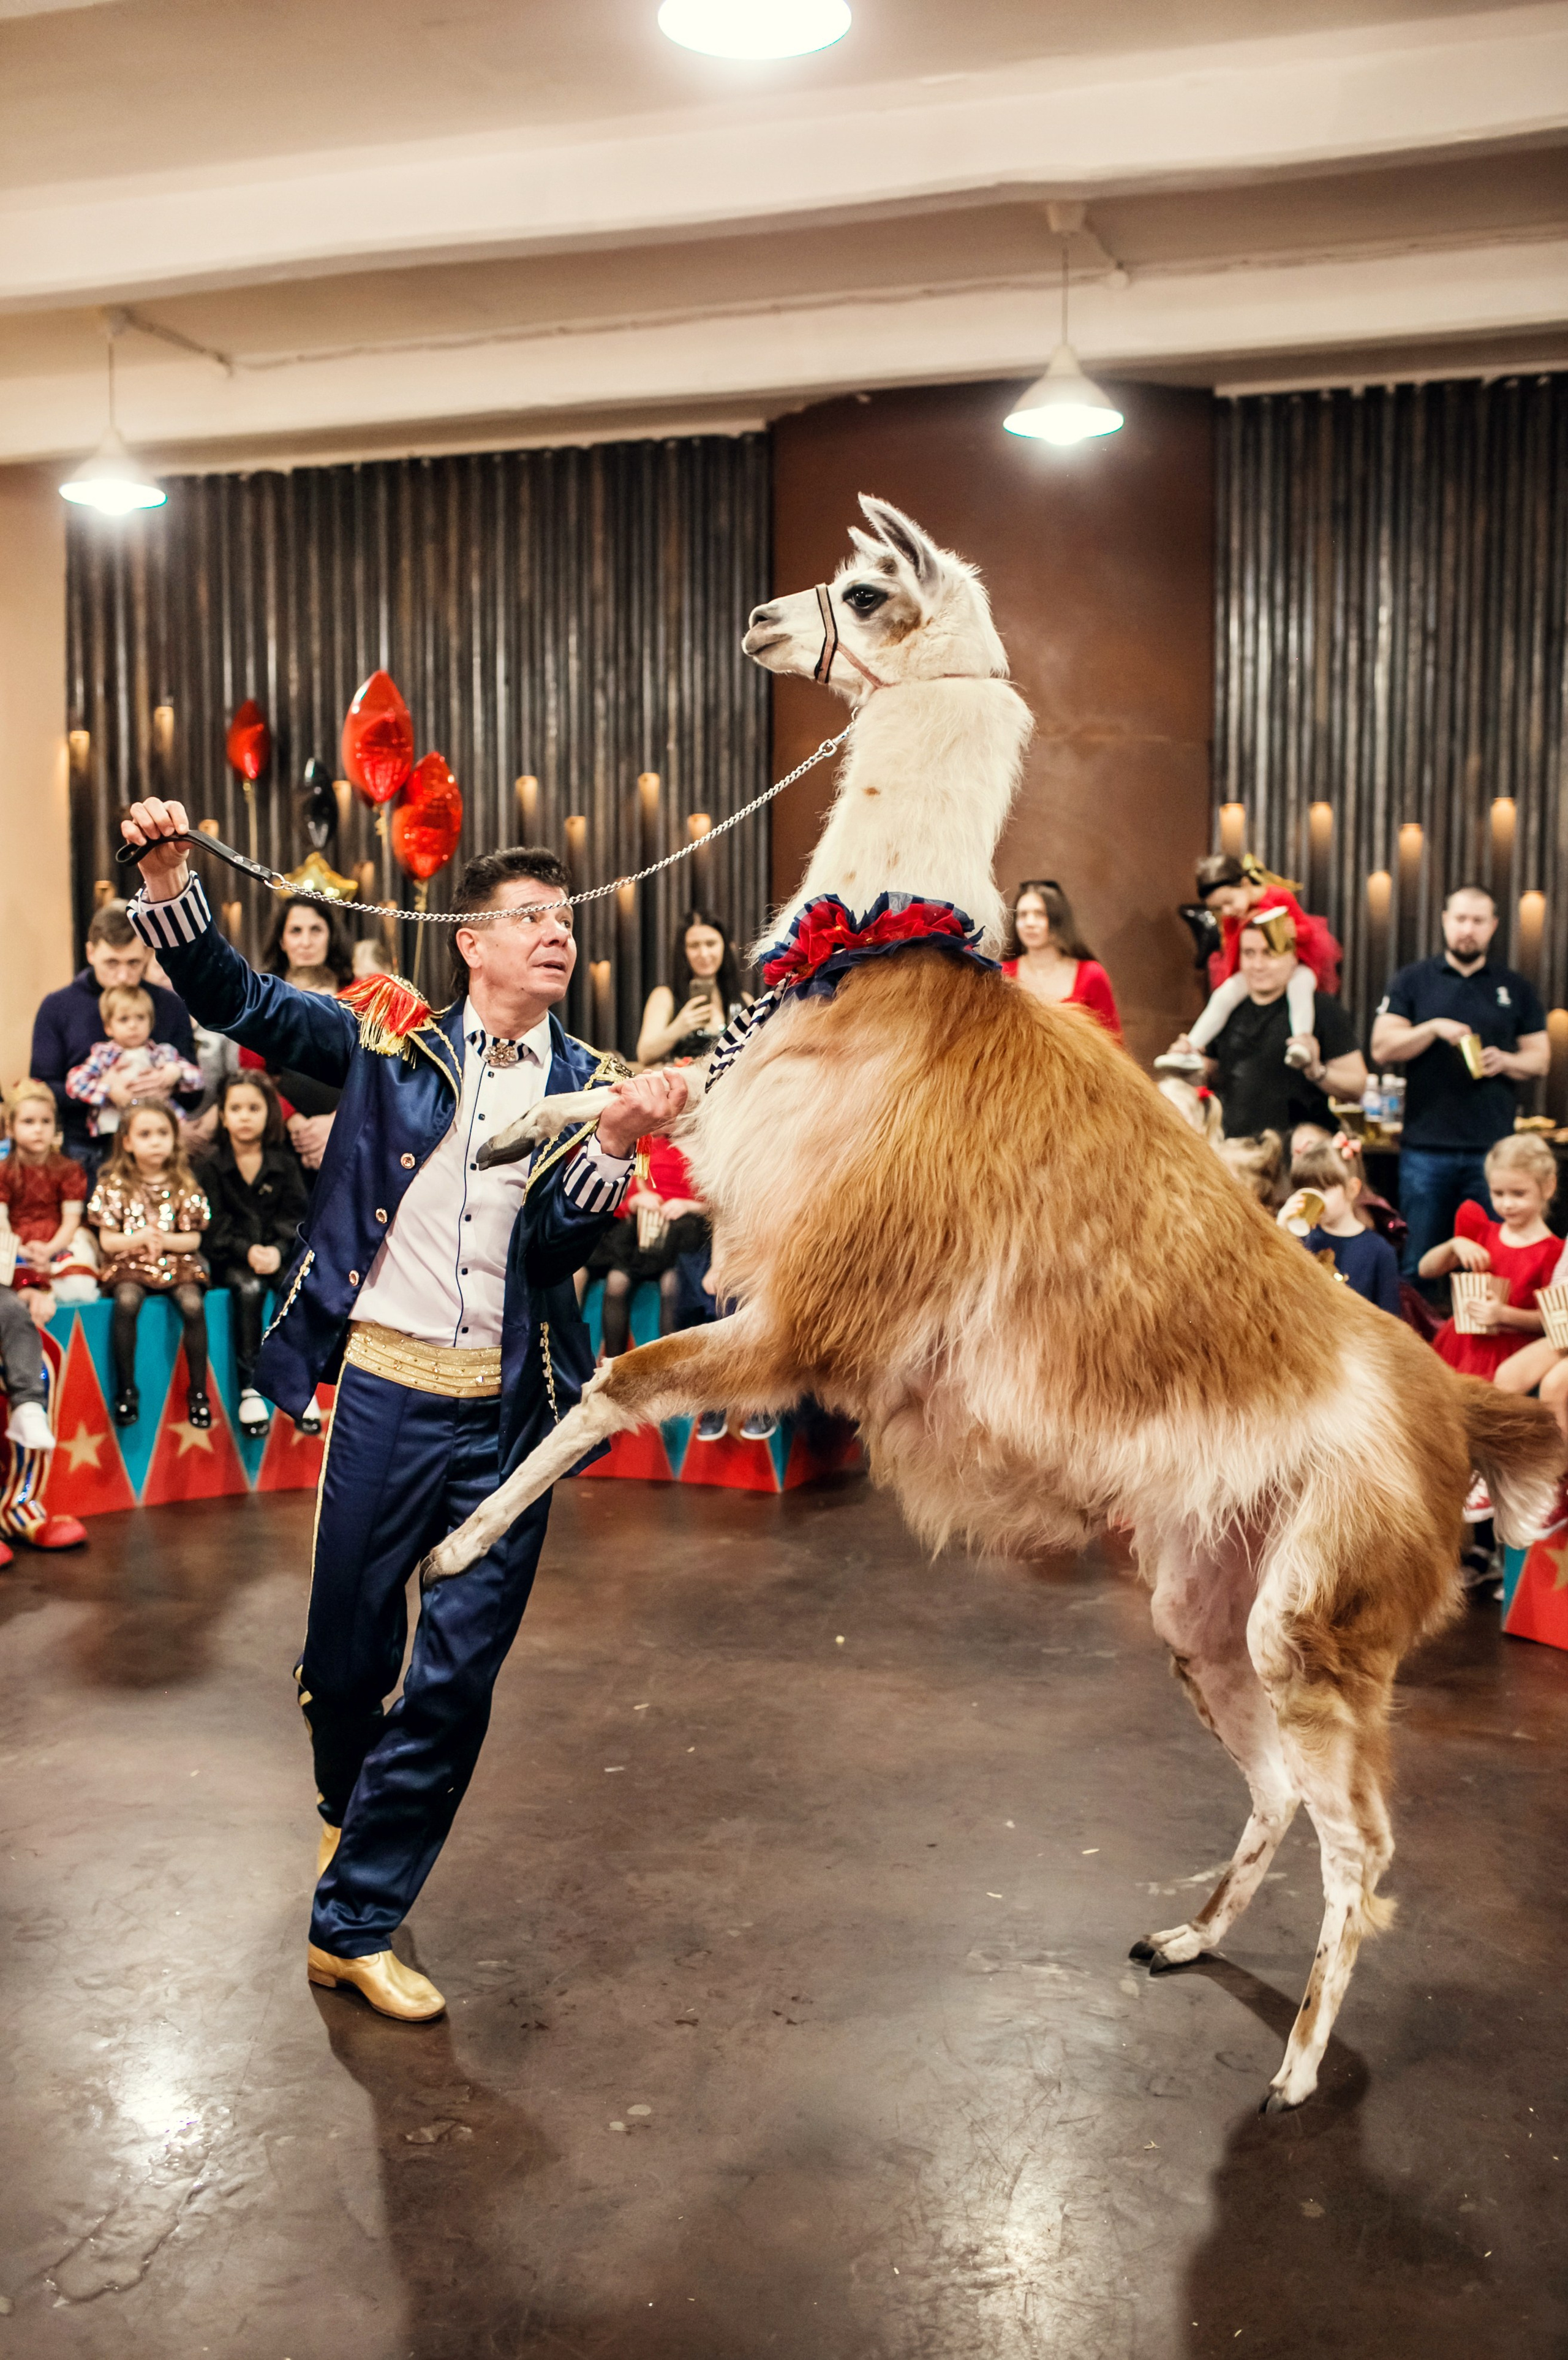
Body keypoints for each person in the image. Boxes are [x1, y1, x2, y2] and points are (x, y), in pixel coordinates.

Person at [121, 794, 686, 2025]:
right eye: (529, 917)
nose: (557, 932)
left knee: (455, 1679)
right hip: (383, 1393)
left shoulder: (594, 1082)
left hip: (510, 1423)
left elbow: (556, 1246)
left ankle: (354, 1924)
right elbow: (238, 998)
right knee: (346, 1663)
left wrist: (613, 1143)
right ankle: (347, 1806)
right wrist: (167, 886)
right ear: (470, 944)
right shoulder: (388, 1044)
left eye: (565, 918)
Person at [1371, 884, 1550, 1279]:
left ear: (1493, 926)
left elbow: (1540, 1060)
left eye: (1478, 921)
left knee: (1493, 1263)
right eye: (1461, 919)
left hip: (1494, 1153)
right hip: (1425, 1149)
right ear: (1445, 921)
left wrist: (1506, 1061)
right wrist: (1432, 1029)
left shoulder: (1515, 987)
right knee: (1418, 1263)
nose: (1468, 929)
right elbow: (1381, 1047)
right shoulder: (1413, 980)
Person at [30, 902, 198, 1181]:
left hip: (159, 1153)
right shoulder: (57, 1007)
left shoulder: (170, 1006)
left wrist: (170, 1081)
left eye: (133, 963)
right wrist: (105, 1090)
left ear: (147, 955)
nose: (123, 977)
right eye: (112, 963)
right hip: (87, 1150)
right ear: (91, 953)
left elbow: (195, 1096)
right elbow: (42, 1090)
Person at [87, 1102, 213, 1431]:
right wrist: (141, 1238)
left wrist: (164, 1241)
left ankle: (199, 1393)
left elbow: (194, 1240)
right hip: (129, 1262)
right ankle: (127, 1390)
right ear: (127, 1142)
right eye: (145, 1134)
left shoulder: (184, 1184)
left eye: (163, 1133)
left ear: (175, 1138)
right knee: (127, 1301)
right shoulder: (113, 1185)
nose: (155, 1141)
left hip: (176, 1261)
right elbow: (108, 1242)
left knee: (193, 1304)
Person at [197, 1073, 311, 1435]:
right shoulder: (210, 1166)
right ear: (222, 1116)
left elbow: (296, 1217)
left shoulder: (285, 1164)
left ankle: (299, 1384)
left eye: (254, 1108)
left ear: (269, 1114)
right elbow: (212, 1226)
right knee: (248, 1290)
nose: (244, 1116)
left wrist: (277, 1250)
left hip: (276, 1256)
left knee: (296, 1287)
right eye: (236, 1109)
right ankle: (250, 1389)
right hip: (231, 1260)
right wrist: (247, 1251)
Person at [1197, 917, 1366, 1141]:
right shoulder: (1227, 1011)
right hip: (1237, 1151)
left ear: (1293, 957)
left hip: (1299, 1153)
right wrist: (1189, 1063)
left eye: (1269, 953)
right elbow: (1212, 1073)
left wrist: (1316, 1071)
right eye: (1249, 953)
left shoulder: (1323, 1010)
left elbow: (1357, 1086)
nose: (1258, 965)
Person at [1417, 1133, 1561, 1382]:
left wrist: (1504, 1315)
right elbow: (1425, 1270)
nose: (1507, 1204)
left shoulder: (1554, 1253)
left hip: (1512, 1355)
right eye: (1498, 1193)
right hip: (1462, 1345)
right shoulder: (1482, 1232)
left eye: (1518, 1194)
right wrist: (1454, 1245)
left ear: (1548, 1187)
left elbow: (1553, 1320)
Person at [254, 894, 356, 1174]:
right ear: (282, 941)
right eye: (296, 931)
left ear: (331, 936)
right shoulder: (262, 998)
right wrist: (297, 1125)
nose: (306, 942)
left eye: (316, 930)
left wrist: (337, 1122)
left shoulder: (362, 992)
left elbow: (380, 1069)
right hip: (283, 1137)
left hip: (352, 1129)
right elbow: (253, 1075)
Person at [0, 1080, 91, 1329]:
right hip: (16, 1241)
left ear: (56, 1127)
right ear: (10, 1128)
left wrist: (50, 1249)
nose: (38, 1130)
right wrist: (21, 1250)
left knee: (78, 1276)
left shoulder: (69, 1170)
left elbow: (71, 1222)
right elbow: (1, 1222)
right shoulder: (4, 1172)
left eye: (46, 1122)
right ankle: (26, 1292)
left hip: (58, 1240)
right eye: (28, 1122)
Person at [65, 983, 205, 1143]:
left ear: (151, 1023)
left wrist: (175, 1072)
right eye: (124, 1019)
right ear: (109, 1027)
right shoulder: (103, 1055)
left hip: (158, 1129)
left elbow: (198, 1079)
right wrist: (109, 1090)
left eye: (141, 1018)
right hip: (115, 1132)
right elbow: (74, 1083)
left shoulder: (162, 1054)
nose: (133, 1025)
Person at [1276, 1138, 1402, 1315]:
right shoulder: (1303, 1241)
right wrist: (1281, 1232)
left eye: (1323, 1190)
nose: (1313, 1197)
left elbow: (1390, 1317)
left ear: (1352, 1189)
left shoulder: (1379, 1250)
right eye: (1305, 1189)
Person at [1001, 880, 1121, 1040]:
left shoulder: (1091, 974)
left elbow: (1113, 1043)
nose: (1029, 923)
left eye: (1040, 914)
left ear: (1059, 920)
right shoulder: (1003, 974)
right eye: (1023, 915)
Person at [636, 909, 750, 1065]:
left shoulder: (744, 999)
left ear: (726, 946)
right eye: (694, 946)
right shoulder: (665, 996)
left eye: (711, 944)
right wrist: (679, 1027)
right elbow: (644, 1054)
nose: (704, 954)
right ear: (684, 950)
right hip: (682, 1078)